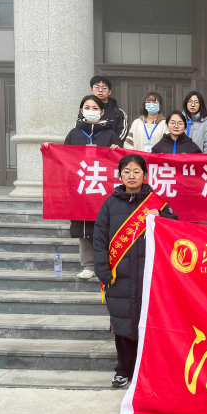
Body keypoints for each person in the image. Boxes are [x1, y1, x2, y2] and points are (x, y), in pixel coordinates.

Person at [93, 154, 179, 387]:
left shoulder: (157, 203)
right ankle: (123, 370)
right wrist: (103, 271)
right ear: (120, 175)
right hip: (118, 278)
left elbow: (176, 229)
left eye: (136, 171)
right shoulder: (110, 204)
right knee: (122, 326)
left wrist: (162, 216)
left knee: (148, 325)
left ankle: (146, 370)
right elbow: (99, 241)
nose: (131, 175)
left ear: (145, 175)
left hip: (149, 277)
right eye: (126, 171)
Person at [49, 95, 123, 280]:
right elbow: (63, 158)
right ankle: (88, 265)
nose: (91, 111)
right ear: (81, 111)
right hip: (81, 188)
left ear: (102, 112)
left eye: (95, 108)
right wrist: (49, 149)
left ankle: (106, 264)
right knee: (84, 227)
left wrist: (117, 150)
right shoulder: (74, 133)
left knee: (105, 226)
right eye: (87, 107)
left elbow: (121, 161)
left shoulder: (110, 134)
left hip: (103, 188)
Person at [88, 75, 128, 143]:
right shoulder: (86, 111)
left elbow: (122, 134)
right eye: (97, 87)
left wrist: (117, 144)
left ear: (109, 92)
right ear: (91, 90)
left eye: (104, 88)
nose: (100, 90)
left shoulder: (119, 113)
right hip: (88, 148)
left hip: (110, 148)